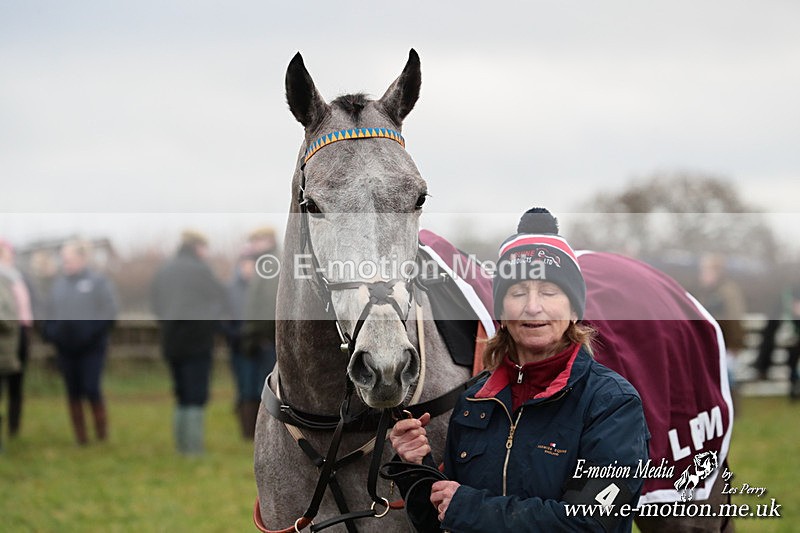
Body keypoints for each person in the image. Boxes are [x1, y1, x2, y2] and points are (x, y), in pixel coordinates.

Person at [389, 208, 650, 532]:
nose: (533, 306)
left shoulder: (612, 404)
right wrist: (415, 465)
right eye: (518, 292)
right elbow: (441, 523)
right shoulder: (475, 400)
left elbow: (593, 523)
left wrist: (470, 508)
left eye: (549, 291)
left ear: (573, 310)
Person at [151, 230, 226, 455]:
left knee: (181, 393)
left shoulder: (164, 271)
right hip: (197, 341)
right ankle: (193, 449)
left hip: (171, 341)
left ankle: (181, 446)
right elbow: (220, 298)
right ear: (197, 247)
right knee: (196, 394)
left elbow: (156, 305)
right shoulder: (201, 271)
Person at [43, 240, 117, 445]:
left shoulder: (98, 282)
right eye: (64, 258)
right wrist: (52, 334)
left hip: (92, 348)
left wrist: (91, 333)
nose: (66, 262)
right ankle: (81, 437)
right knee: (72, 391)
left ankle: (101, 432)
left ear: (82, 258)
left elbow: (109, 312)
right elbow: (48, 315)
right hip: (65, 349)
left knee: (91, 387)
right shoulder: (58, 286)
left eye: (70, 258)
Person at [224, 227, 278, 439]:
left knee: (265, 387)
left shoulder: (271, 266)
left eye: (258, 240)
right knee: (246, 388)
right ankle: (249, 432)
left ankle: (261, 432)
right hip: (244, 341)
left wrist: (256, 335)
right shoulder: (235, 284)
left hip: (262, 340)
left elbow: (266, 306)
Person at [695, 253, 746, 400]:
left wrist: (735, 345)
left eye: (705, 271)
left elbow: (734, 318)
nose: (702, 275)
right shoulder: (706, 293)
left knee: (727, 377)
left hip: (727, 343)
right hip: (713, 343)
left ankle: (732, 412)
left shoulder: (728, 291)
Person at [0, 240, 34, 445]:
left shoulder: (18, 277)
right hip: (5, 336)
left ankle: (14, 428)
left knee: (17, 383)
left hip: (21, 333)